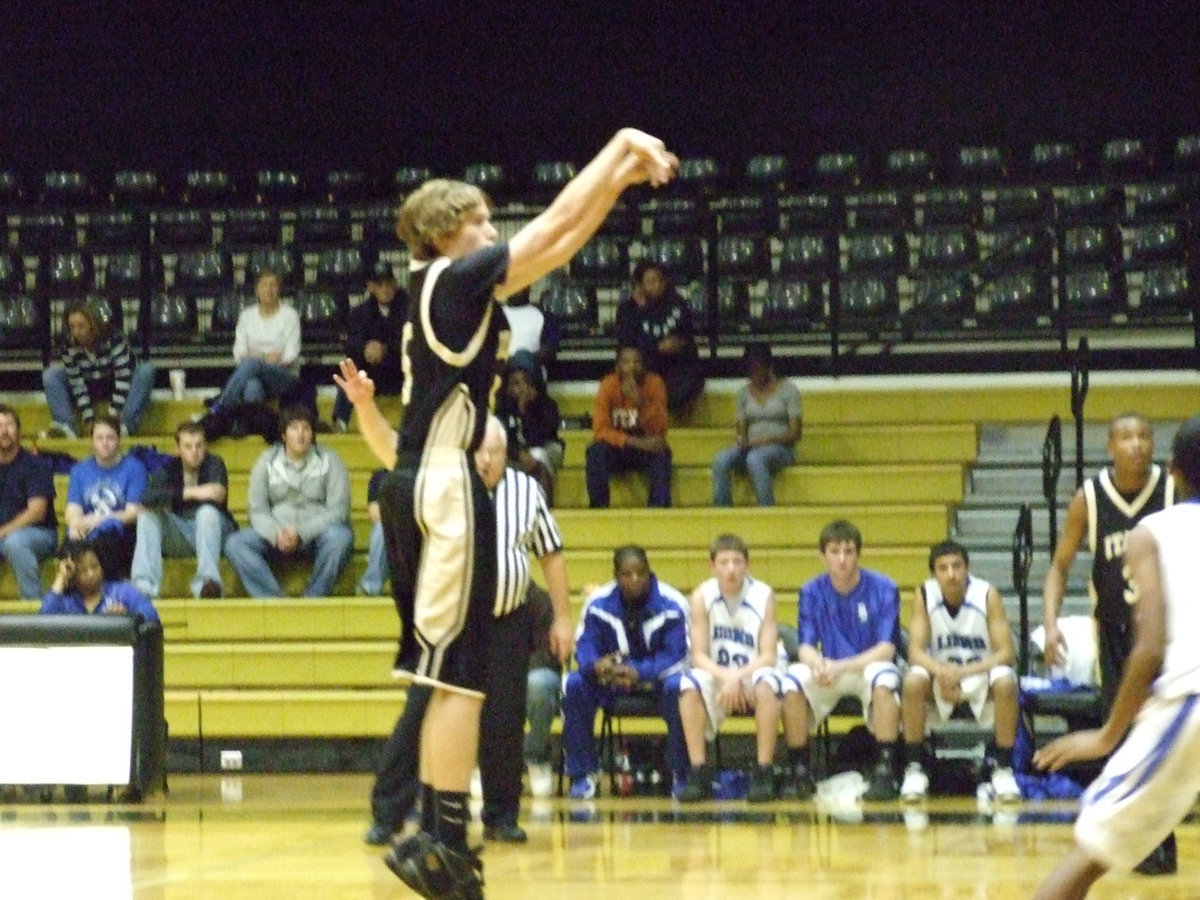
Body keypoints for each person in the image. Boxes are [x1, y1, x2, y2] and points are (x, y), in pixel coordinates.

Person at [334, 127, 676, 898]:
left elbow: (557, 248)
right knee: (456, 677)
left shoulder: (440, 291)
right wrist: (619, 148)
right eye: (481, 218)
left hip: (420, 479)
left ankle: (434, 829)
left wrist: (619, 185)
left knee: (445, 673)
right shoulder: (452, 280)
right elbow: (553, 226)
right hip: (443, 485)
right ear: (441, 231)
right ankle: (445, 839)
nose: (494, 231)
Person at [364, 416, 573, 847]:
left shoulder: (526, 490)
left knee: (504, 720)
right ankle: (391, 814)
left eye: (495, 452)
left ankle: (501, 815)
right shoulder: (444, 484)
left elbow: (551, 555)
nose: (487, 460)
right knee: (419, 716)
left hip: (507, 621)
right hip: (450, 625)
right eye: (479, 451)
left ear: (505, 454)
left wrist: (563, 617)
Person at [1031, 415, 1200, 900]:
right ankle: (1150, 836)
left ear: (1174, 470)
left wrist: (1105, 737)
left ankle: (1151, 838)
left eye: (1144, 435)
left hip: (1174, 668)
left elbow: (1152, 646)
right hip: (1119, 635)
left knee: (1089, 850)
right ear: (1110, 446)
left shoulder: (1158, 525)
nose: (1136, 445)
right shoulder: (1090, 498)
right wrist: (1051, 623)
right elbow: (1059, 566)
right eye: (1126, 436)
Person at [780, 519, 903, 801]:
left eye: (849, 551)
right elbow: (805, 646)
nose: (842, 559)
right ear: (822, 556)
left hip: (866, 667)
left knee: (884, 677)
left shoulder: (884, 587)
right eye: (835, 551)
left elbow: (887, 648)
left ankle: (885, 767)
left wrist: (842, 665)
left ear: (858, 554)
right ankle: (799, 768)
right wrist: (817, 664)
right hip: (830, 670)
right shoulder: (811, 590)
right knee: (792, 680)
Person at [563, 545, 690, 800]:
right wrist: (596, 666)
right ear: (616, 575)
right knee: (575, 684)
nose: (634, 580)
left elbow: (677, 655)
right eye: (627, 574)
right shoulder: (598, 602)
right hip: (610, 681)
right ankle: (583, 773)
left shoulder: (673, 602)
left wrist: (638, 672)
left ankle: (681, 772)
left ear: (649, 571)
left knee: (680, 688)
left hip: (657, 681)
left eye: (640, 573)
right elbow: (585, 645)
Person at [899, 540, 1020, 803]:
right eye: (943, 568)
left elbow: (1005, 653)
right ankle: (914, 768)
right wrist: (942, 672)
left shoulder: (988, 594)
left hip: (978, 674)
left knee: (1006, 681)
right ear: (934, 573)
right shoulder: (924, 594)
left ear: (968, 568)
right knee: (912, 681)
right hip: (940, 676)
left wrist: (961, 673)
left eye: (957, 566)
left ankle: (1003, 769)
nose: (951, 574)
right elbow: (915, 652)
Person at [676, 533, 784, 803]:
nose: (731, 569)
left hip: (754, 670)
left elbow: (769, 655)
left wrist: (737, 676)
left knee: (766, 684)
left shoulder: (763, 594)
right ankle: (699, 771)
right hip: (719, 673)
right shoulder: (701, 595)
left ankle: (763, 771)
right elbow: (698, 654)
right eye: (724, 562)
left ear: (747, 565)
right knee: (689, 686)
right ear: (712, 567)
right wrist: (726, 676)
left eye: (737, 561)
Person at [222, 404, 353, 598]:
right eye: (294, 428)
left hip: (316, 535)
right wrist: (276, 534)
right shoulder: (266, 461)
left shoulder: (330, 460)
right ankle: (274, 600)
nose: (301, 434)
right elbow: (256, 510)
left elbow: (339, 510)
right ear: (284, 435)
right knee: (235, 544)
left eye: (306, 428)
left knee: (341, 538)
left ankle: (313, 598)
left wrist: (302, 533)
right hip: (276, 535)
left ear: (313, 433)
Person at [130, 421, 236, 600]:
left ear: (206, 446)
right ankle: (144, 587)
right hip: (181, 533)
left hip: (216, 533)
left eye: (199, 446)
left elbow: (217, 495)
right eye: (188, 446)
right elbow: (146, 499)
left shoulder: (214, 463)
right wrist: (193, 492)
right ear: (178, 449)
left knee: (207, 513)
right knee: (147, 515)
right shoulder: (169, 468)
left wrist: (172, 498)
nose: (194, 452)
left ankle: (208, 584)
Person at [42, 300, 156, 438]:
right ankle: (65, 428)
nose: (76, 332)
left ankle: (124, 427)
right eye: (72, 327)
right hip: (89, 385)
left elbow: (122, 379)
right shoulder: (68, 345)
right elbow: (77, 384)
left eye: (81, 326)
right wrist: (89, 419)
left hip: (115, 385)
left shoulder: (115, 339)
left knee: (146, 370)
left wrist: (111, 418)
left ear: (93, 324)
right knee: (50, 374)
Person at [711, 342, 802, 507]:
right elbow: (741, 427)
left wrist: (765, 440)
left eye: (758, 368)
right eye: (750, 369)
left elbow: (795, 434)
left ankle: (766, 509)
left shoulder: (788, 390)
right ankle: (722, 508)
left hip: (781, 448)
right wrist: (742, 440)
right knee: (721, 459)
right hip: (752, 446)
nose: (754, 374)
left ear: (768, 366)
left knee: (755, 459)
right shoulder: (743, 393)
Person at [584, 345, 672, 508]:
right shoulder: (608, 385)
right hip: (618, 449)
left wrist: (641, 404)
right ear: (617, 367)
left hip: (646, 449)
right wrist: (635, 442)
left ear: (644, 366)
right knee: (595, 452)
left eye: (637, 362)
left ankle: (658, 510)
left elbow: (659, 430)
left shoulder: (655, 384)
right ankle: (598, 509)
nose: (631, 366)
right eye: (626, 362)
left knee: (662, 454)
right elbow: (600, 431)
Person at [614, 260, 704, 418]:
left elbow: (688, 337)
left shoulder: (678, 303)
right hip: (646, 365)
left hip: (675, 365)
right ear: (640, 285)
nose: (657, 285)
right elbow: (627, 345)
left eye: (660, 280)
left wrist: (679, 343)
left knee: (693, 373)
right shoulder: (627, 310)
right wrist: (655, 346)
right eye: (651, 281)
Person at [205, 269, 301, 417]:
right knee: (252, 386)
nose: (269, 290)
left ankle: (219, 409)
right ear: (257, 290)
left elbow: (290, 356)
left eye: (273, 285)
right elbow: (239, 353)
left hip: (283, 377)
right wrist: (265, 357)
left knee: (251, 363)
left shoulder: (290, 315)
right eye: (264, 285)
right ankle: (252, 427)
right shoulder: (247, 316)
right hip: (252, 375)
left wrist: (257, 359)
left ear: (279, 289)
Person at [64, 414, 147, 580]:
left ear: (119, 440)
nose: (105, 443)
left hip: (121, 533)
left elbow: (133, 513)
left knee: (106, 540)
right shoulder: (79, 470)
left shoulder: (135, 468)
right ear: (92, 440)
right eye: (99, 438)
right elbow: (72, 510)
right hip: (88, 531)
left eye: (110, 438)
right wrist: (75, 525)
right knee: (69, 542)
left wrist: (96, 520)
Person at [331, 263, 409, 433]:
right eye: (380, 284)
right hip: (373, 374)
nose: (385, 289)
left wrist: (386, 349)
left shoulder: (409, 309)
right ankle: (340, 422)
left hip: (400, 372)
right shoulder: (361, 312)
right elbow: (351, 345)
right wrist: (366, 349)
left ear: (395, 284)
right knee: (350, 371)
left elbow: (414, 342)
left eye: (388, 283)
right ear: (371, 287)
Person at [0, 404, 58, 599]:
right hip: (3, 538)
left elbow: (37, 512)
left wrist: (3, 532)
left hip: (40, 535)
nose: (4, 431)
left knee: (14, 542)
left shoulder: (35, 465)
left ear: (19, 431)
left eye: (9, 425)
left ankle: (32, 611)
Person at [496, 351, 564, 505]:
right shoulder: (503, 406)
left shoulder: (548, 406)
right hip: (516, 452)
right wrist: (519, 454)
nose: (521, 388)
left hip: (547, 448)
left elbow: (539, 439)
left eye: (525, 382)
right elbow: (503, 439)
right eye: (515, 383)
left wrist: (524, 411)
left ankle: (543, 509)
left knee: (538, 455)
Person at [40, 540, 160, 624]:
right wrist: (61, 577)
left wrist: (127, 618)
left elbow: (152, 617)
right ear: (72, 574)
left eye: (94, 566)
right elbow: (44, 622)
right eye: (83, 570)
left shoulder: (122, 591)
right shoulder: (65, 601)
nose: (91, 573)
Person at [523, 581, 566, 800]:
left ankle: (536, 756)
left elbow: (547, 656)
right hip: (491, 670)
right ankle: (485, 762)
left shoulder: (540, 600)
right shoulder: (479, 595)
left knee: (540, 684)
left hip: (534, 669)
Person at [502, 288, 559, 379]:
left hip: (533, 380)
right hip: (502, 378)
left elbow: (551, 350)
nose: (518, 289)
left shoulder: (544, 316)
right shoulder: (496, 315)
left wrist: (524, 361)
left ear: (528, 287)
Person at [356, 468, 390, 596]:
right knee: (382, 528)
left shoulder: (426, 473)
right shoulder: (381, 476)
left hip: (421, 532)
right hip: (398, 532)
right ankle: (369, 587)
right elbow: (375, 514)